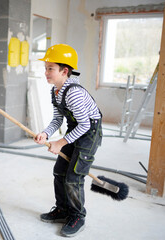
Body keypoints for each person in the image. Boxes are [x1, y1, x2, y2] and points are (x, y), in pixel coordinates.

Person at [34, 44, 103, 237]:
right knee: (59, 171)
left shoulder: (73, 92)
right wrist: (46, 134)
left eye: (50, 68)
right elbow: (58, 119)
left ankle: (77, 216)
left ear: (64, 71)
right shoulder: (55, 91)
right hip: (76, 129)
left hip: (89, 134)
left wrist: (60, 143)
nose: (46, 72)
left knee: (74, 176)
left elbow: (85, 126)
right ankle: (63, 210)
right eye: (46, 68)